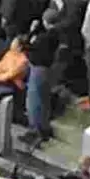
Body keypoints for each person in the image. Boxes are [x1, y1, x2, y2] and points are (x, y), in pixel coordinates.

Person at [22, 10, 61, 145]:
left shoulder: (43, 38)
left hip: (38, 69)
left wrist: (31, 31)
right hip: (48, 69)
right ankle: (44, 128)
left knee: (33, 102)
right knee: (44, 100)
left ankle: (34, 131)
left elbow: (27, 46)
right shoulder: (56, 35)